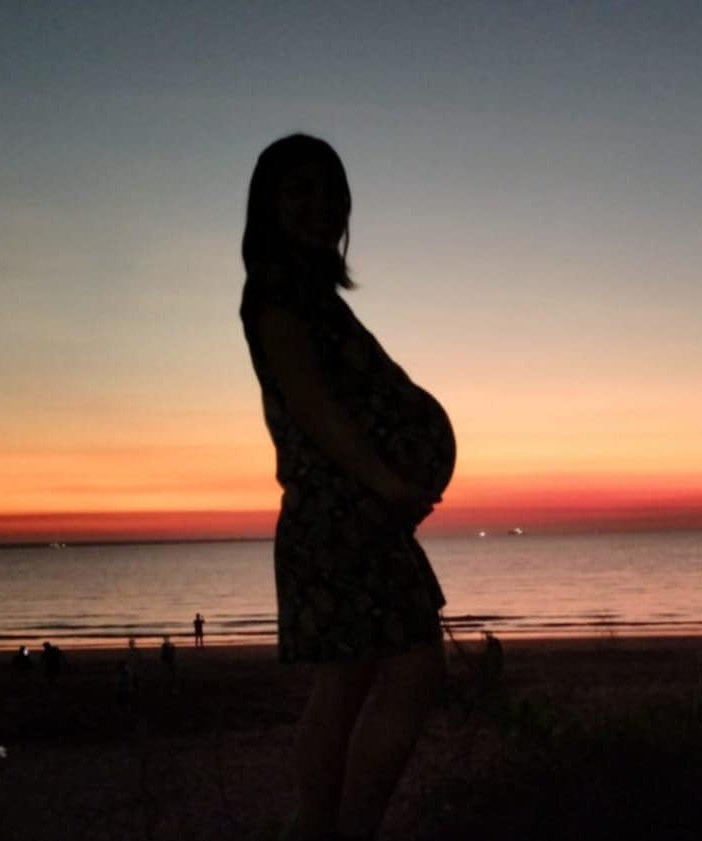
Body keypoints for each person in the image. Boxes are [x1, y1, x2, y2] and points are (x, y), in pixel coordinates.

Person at [239, 134, 456, 841]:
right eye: (299, 191)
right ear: (268, 205)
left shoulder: (310, 293)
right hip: (343, 512)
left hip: (352, 513)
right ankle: (347, 828)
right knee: (411, 670)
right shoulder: (275, 294)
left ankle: (322, 829)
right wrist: (388, 481)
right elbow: (315, 408)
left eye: (331, 192)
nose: (320, 206)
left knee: (348, 681)